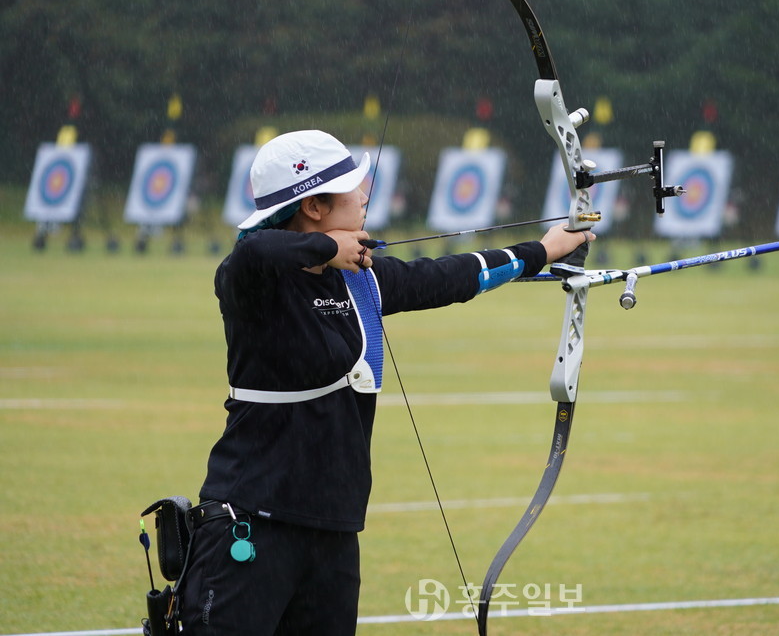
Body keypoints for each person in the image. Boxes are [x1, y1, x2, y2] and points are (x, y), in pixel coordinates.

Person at [176, 129, 593, 635]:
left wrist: (542, 250)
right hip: (252, 524)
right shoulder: (253, 282)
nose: (365, 195)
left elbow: (452, 276)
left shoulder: (360, 281)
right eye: (352, 188)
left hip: (333, 532)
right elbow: (253, 250)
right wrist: (329, 246)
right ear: (313, 206)